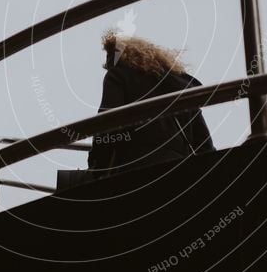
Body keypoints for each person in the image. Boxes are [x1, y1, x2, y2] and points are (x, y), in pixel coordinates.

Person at [86, 30, 214, 176]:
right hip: (179, 172)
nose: (109, 65)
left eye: (110, 59)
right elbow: (204, 143)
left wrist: (96, 166)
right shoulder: (178, 84)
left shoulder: (118, 75)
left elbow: (107, 124)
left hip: (135, 170)